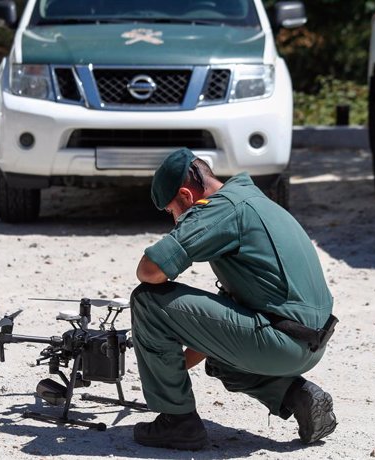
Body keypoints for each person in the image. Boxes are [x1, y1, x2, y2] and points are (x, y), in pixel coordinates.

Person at [130, 147, 338, 450]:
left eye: (171, 213)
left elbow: (149, 271)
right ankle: (298, 396)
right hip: (308, 341)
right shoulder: (253, 199)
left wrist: (160, 363)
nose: (175, 221)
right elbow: (223, 322)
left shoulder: (221, 209)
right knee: (221, 362)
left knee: (148, 300)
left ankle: (177, 423)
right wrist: (165, 365)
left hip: (281, 340)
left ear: (186, 197)